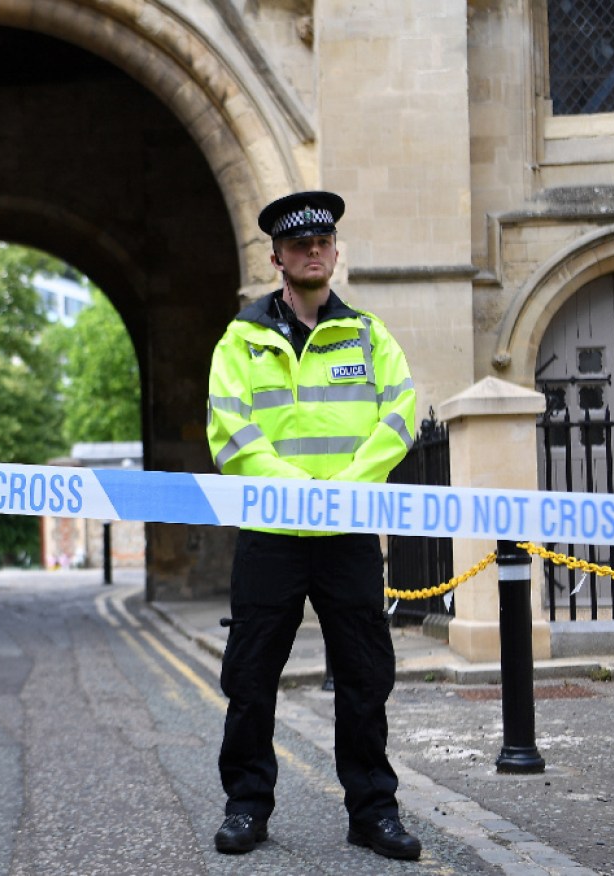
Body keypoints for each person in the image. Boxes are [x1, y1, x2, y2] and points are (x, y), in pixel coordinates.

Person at [205, 191, 421, 860]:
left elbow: (401, 415)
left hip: (347, 531)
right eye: (297, 244)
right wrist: (299, 492)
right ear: (276, 257)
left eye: (321, 241)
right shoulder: (240, 339)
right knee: (249, 678)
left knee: (363, 675)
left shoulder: (368, 335)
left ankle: (372, 812)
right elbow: (229, 428)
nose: (311, 251)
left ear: (333, 251)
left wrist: (345, 489)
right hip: (272, 531)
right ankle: (246, 806)